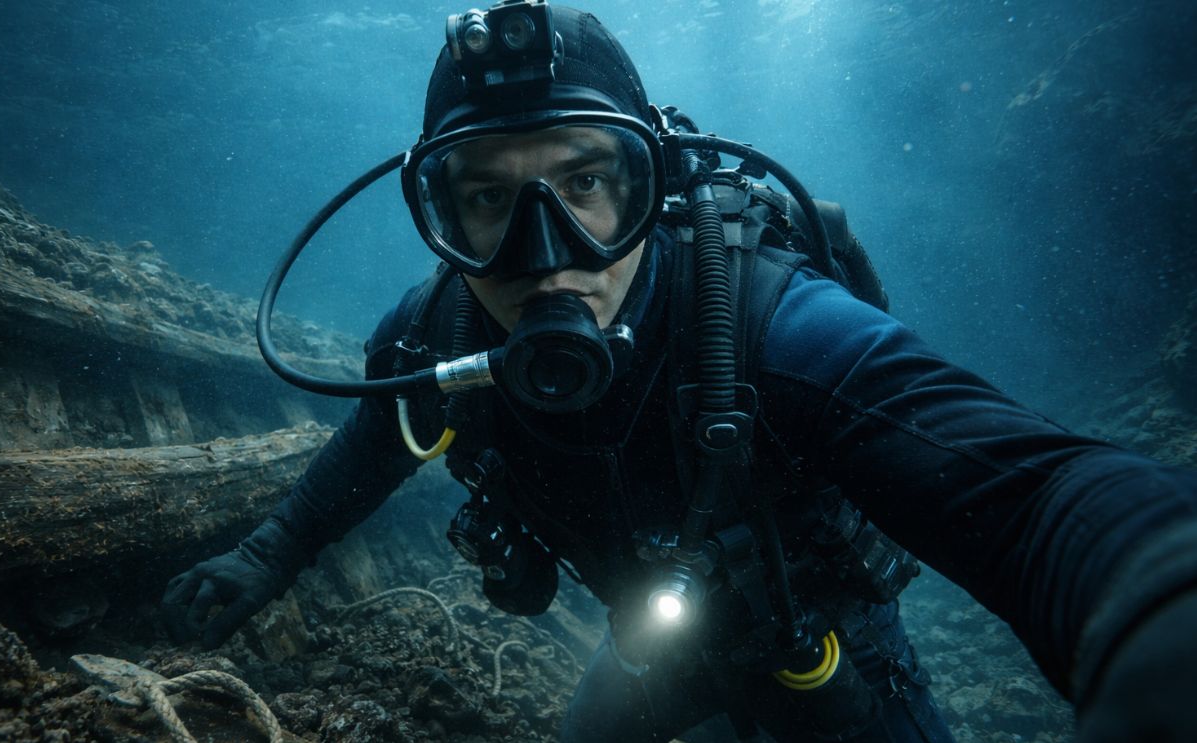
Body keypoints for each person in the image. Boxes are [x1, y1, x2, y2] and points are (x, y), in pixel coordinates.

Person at [162, 3, 1197, 741]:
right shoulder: (437, 336)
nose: (546, 250)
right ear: (443, 215)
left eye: (585, 183)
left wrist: (1154, 604)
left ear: (649, 184)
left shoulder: (761, 323)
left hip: (825, 650)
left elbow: (1029, 494)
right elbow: (379, 440)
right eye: (488, 199)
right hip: (652, 648)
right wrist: (267, 553)